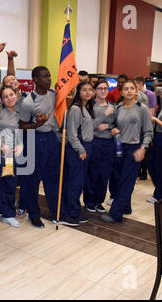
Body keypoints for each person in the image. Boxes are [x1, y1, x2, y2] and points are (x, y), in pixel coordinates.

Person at [101, 80, 153, 223]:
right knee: (117, 180)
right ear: (122, 92)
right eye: (126, 89)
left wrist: (143, 149)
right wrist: (112, 129)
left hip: (134, 149)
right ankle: (126, 207)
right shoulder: (118, 108)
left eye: (132, 88)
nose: (129, 91)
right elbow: (112, 125)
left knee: (126, 182)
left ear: (137, 91)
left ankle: (115, 214)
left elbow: (148, 132)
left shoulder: (142, 108)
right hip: (118, 148)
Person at [18, 66, 59, 228]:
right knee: (32, 180)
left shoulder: (54, 94)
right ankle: (34, 214)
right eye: (45, 76)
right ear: (35, 79)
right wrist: (37, 124)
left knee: (52, 178)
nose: (49, 79)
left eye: (49, 76)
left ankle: (56, 211)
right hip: (35, 139)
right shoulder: (29, 101)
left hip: (51, 138)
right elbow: (22, 126)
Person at [57, 81, 95, 227]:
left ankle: (75, 211)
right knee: (74, 183)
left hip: (87, 147)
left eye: (90, 90)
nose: (87, 92)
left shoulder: (87, 108)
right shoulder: (75, 109)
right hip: (77, 149)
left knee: (78, 182)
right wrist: (80, 149)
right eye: (84, 90)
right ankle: (69, 213)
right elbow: (71, 134)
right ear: (79, 92)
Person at [0, 86, 23, 227]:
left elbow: (20, 132)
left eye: (11, 94)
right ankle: (7, 213)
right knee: (3, 183)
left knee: (9, 183)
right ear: (1, 99)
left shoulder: (20, 113)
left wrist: (21, 145)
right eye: (6, 96)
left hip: (11, 156)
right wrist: (1, 144)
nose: (9, 98)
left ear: (16, 95)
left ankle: (5, 211)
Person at [83, 79, 115, 214]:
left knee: (104, 174)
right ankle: (89, 201)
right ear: (95, 90)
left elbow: (118, 123)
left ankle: (99, 201)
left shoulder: (113, 106)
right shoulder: (90, 106)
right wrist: (104, 116)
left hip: (109, 144)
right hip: (94, 142)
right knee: (92, 173)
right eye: (100, 88)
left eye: (105, 88)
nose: (103, 91)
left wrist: (110, 126)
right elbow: (88, 125)